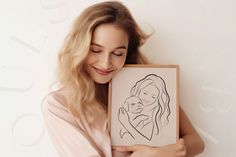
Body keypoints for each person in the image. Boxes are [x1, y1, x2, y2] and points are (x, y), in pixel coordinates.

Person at [41, 1, 205, 157]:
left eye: (117, 53)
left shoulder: (147, 85)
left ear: (128, 52)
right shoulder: (58, 105)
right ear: (79, 48)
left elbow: (196, 142)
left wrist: (163, 153)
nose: (105, 63)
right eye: (96, 50)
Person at [118, 74, 171, 141]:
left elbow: (145, 141)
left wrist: (126, 123)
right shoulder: (128, 107)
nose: (147, 98)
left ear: (156, 100)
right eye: (145, 93)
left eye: (153, 97)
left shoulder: (148, 119)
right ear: (139, 90)